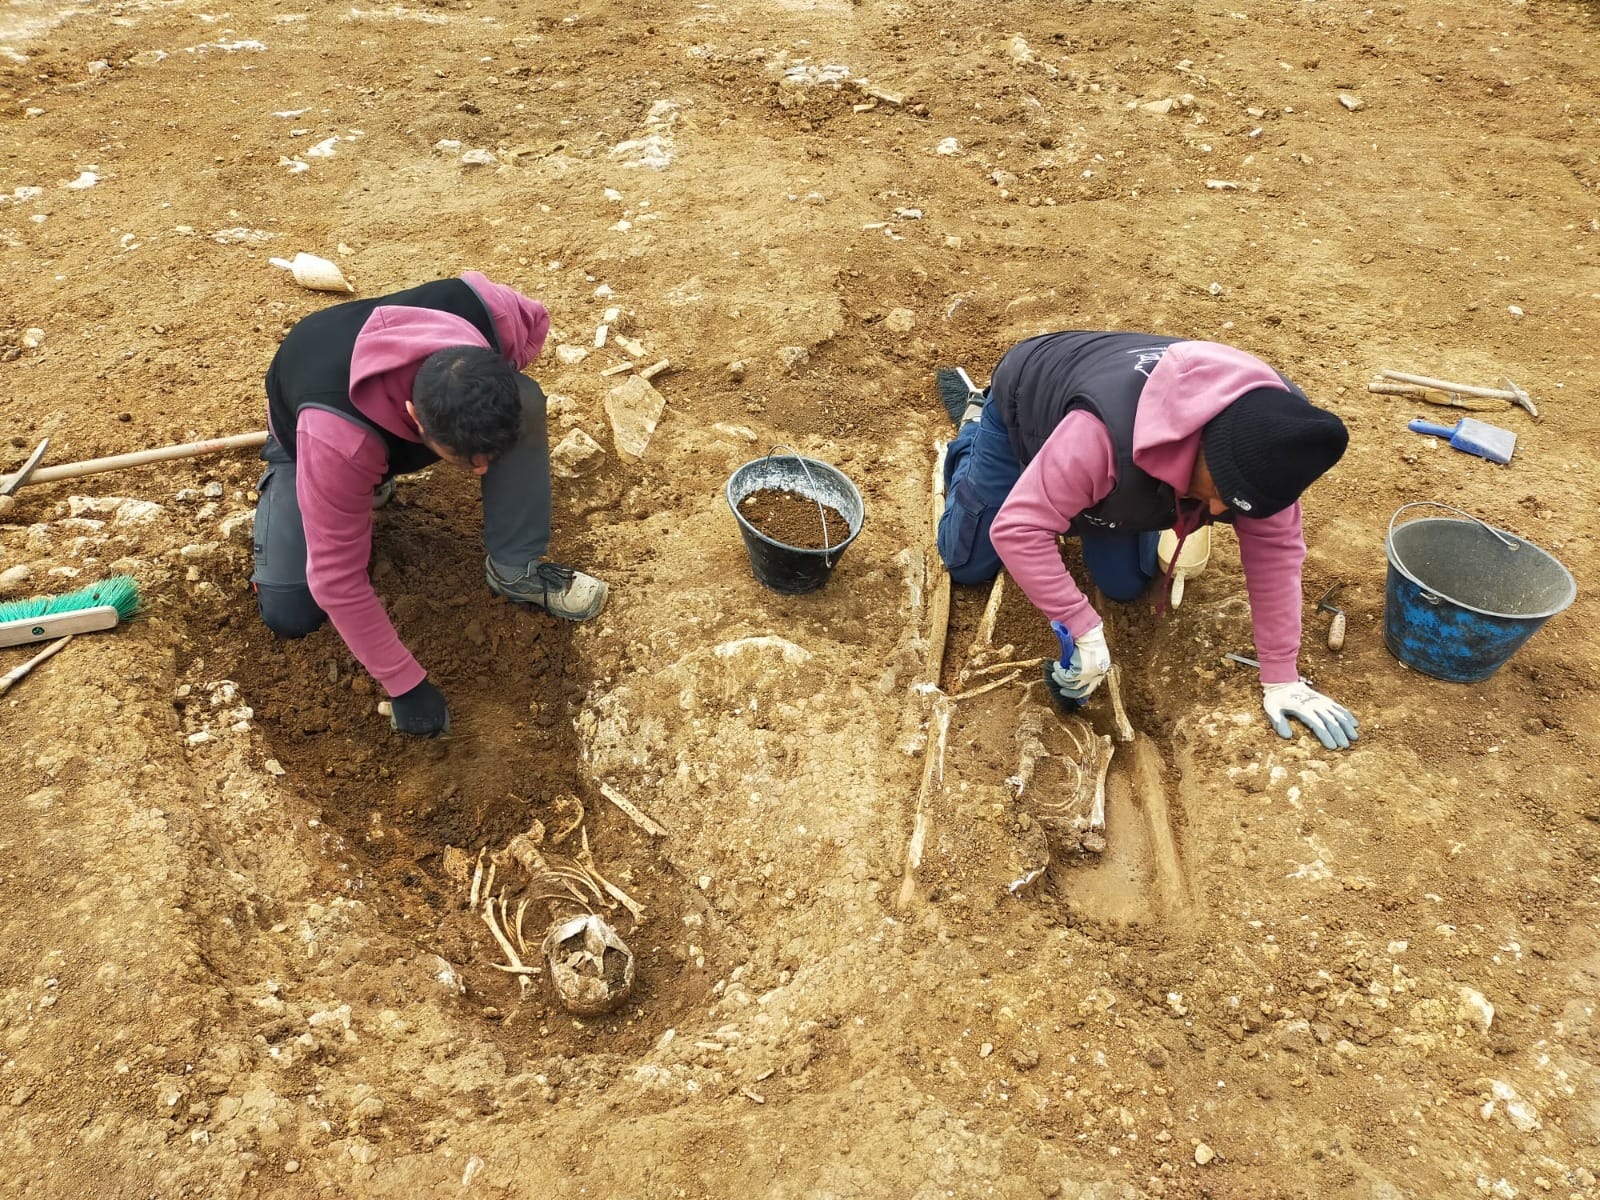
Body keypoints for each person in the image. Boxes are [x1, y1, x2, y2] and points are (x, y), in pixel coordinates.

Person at [936, 330, 1358, 750]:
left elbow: (1276, 555)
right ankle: (975, 425)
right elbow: (1017, 529)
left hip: (1127, 459)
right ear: (1203, 446)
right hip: (1029, 405)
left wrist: (1282, 677)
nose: (1214, 514)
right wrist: (1080, 626)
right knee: (966, 563)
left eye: (1231, 505)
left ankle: (1083, 493)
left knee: (1124, 585)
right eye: (1217, 493)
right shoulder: (1100, 435)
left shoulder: (1278, 448)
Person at [250, 271, 607, 738]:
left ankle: (515, 568)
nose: (482, 472)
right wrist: (404, 684)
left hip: (388, 422)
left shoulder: (492, 312)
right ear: (414, 417)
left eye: (488, 460)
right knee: (291, 611)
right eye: (466, 460)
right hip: (315, 432)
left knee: (525, 400)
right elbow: (336, 580)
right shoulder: (336, 442)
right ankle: (347, 486)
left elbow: (534, 327)